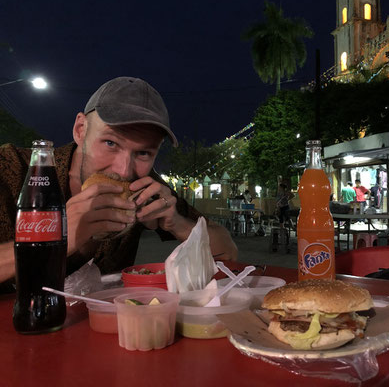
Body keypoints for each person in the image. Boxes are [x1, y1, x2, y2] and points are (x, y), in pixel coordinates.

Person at [0, 76, 237, 290]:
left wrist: (176, 222)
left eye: (144, 153)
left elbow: (227, 251)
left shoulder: (145, 187)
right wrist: (57, 237)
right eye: (111, 143)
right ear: (80, 130)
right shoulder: (13, 167)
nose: (123, 170)